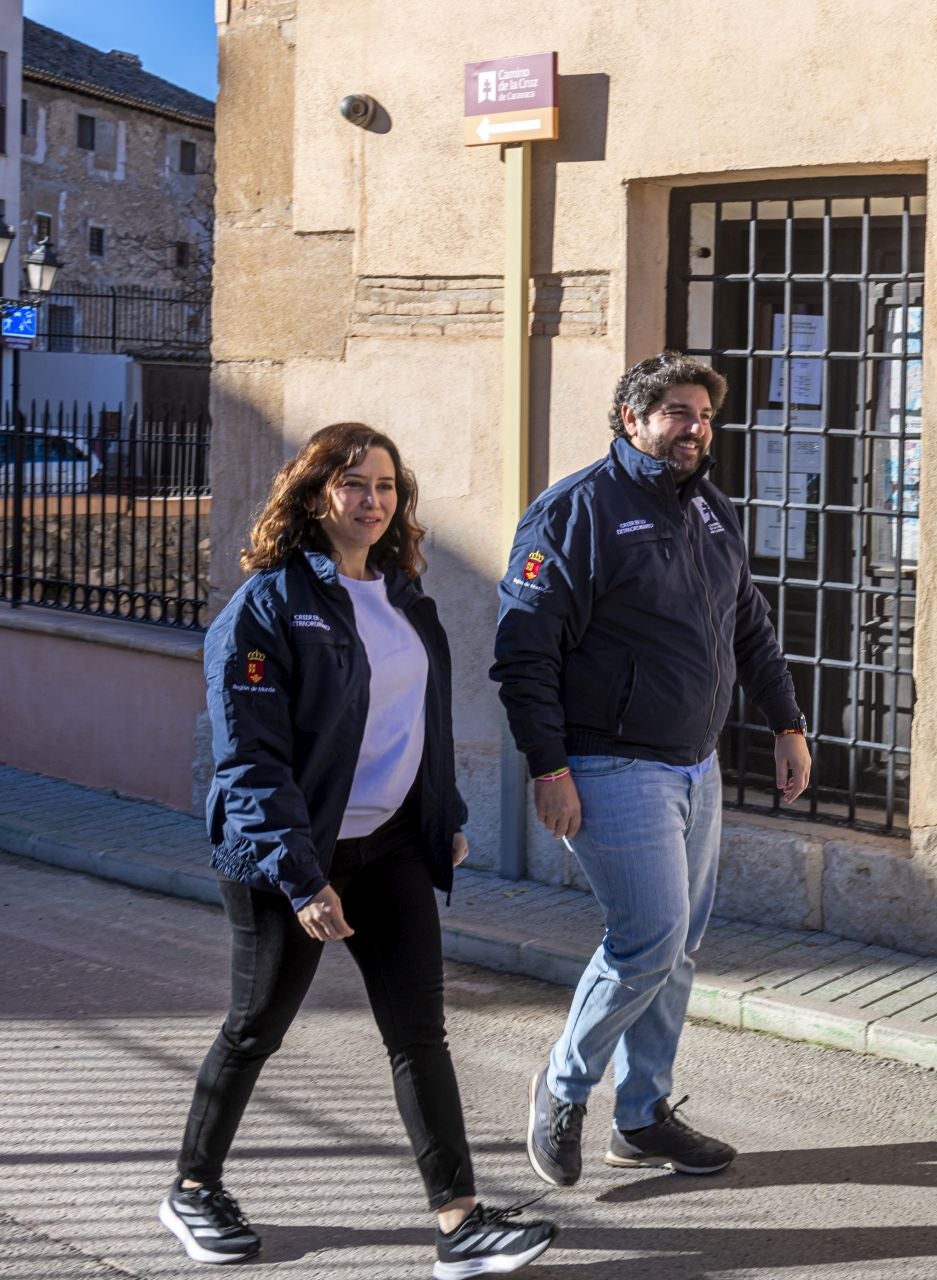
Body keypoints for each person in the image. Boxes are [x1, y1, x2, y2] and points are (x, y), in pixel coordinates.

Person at [163, 422, 555, 1278]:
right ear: (313, 497)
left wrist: (441, 812)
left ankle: (459, 1222)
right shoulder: (265, 608)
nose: (373, 501)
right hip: (288, 860)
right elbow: (251, 759)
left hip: (391, 849)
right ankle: (193, 1186)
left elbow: (425, 718)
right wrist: (303, 880)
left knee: (420, 1035)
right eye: (353, 485)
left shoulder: (404, 593)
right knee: (255, 1026)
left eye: (385, 486)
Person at [493, 351, 813, 1188]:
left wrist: (786, 720)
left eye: (703, 414)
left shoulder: (707, 505)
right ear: (630, 420)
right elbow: (523, 654)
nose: (694, 427)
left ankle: (642, 1117)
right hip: (609, 764)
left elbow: (749, 620)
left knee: (677, 952)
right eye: (675, 411)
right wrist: (548, 767)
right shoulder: (575, 512)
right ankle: (562, 1090)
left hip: (694, 765)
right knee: (646, 944)